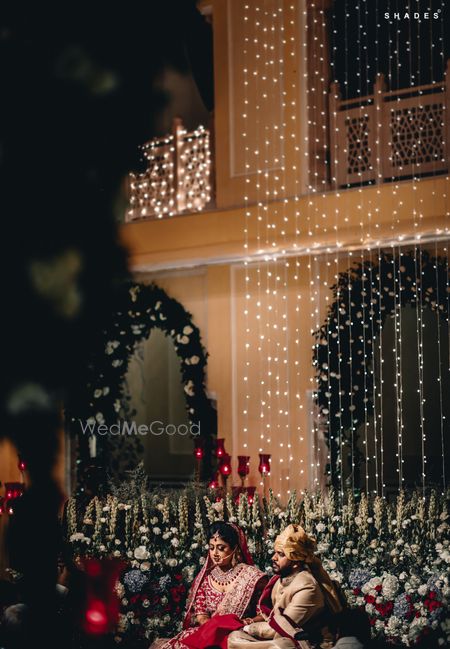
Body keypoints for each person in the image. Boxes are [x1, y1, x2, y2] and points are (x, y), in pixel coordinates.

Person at [151, 521, 268, 649]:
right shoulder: (207, 579)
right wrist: (214, 627)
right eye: (211, 548)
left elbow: (265, 613)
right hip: (210, 634)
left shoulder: (252, 577)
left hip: (239, 636)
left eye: (221, 548)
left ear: (235, 548)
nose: (215, 553)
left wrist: (244, 623)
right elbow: (201, 614)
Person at [228, 524, 344, 649]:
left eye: (281, 554)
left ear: (295, 561)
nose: (273, 558)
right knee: (235, 637)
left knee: (280, 646)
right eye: (275, 552)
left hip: (309, 643)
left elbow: (283, 627)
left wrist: (249, 627)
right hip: (284, 637)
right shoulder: (282, 579)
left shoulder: (308, 587)